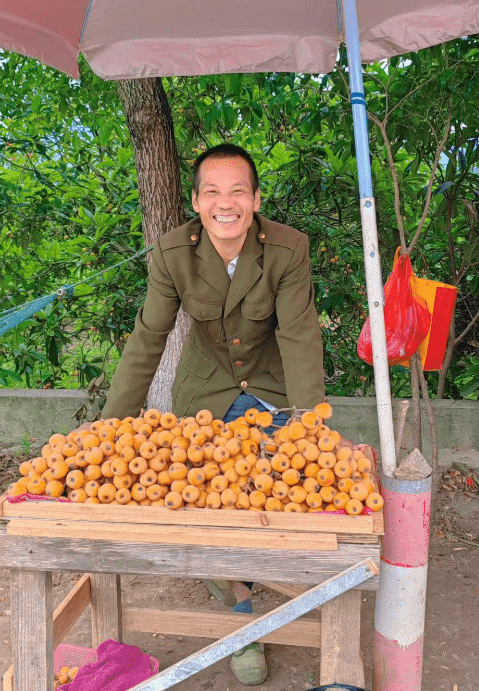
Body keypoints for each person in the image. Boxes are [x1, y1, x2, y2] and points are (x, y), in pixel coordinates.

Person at [102, 143, 325, 684]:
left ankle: (244, 575)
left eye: (238, 192)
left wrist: (309, 422)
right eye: (213, 192)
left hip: (270, 386)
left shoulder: (287, 249)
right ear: (197, 201)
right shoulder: (173, 253)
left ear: (255, 198)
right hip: (205, 394)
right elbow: (148, 338)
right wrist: (110, 425)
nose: (226, 204)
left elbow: (299, 336)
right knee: (213, 497)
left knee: (276, 488)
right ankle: (242, 608)